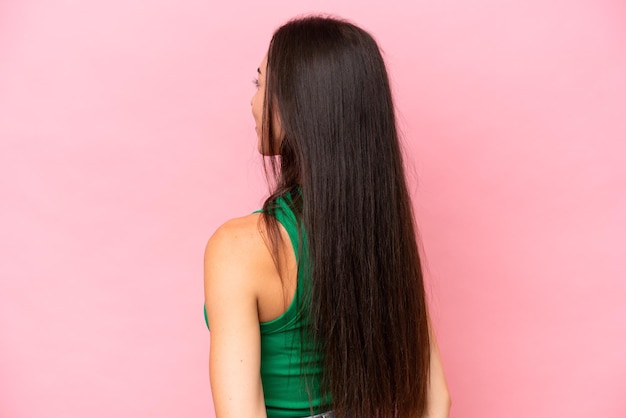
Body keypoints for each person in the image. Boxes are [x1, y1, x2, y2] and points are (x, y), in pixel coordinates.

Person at [204, 15, 451, 418]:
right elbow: (436, 399)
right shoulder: (381, 233)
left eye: (260, 83)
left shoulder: (239, 247)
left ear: (299, 102)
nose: (253, 101)